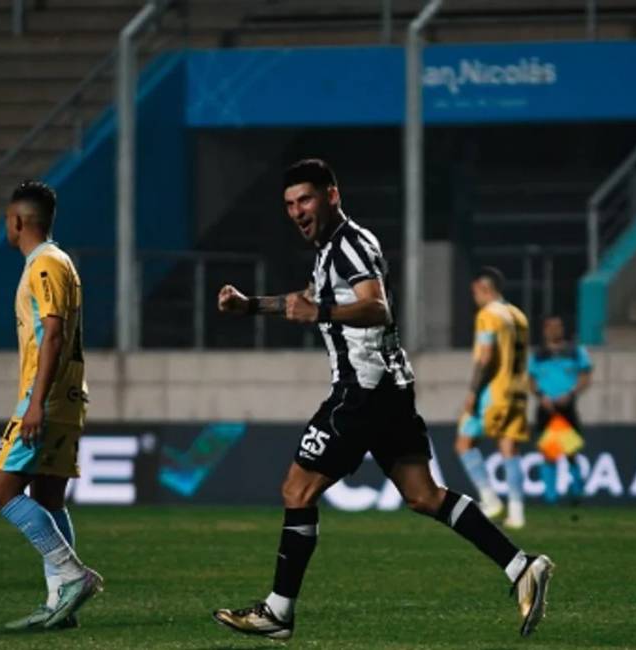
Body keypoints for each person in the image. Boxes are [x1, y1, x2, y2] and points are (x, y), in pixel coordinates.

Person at [212, 159, 553, 640]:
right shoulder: (339, 246)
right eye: (289, 204)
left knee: (297, 490)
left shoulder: (347, 245)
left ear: (332, 194)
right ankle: (521, 565)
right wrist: (252, 306)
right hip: (391, 388)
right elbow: (307, 300)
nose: (297, 211)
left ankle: (278, 611)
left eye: (305, 199)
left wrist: (321, 311)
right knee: (424, 496)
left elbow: (376, 306)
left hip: (362, 390)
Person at [0, 180, 101, 631]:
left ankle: (71, 576)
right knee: (49, 497)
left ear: (17, 221)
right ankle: (61, 602)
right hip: (67, 395)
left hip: (47, 398)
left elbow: (52, 333)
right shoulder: (61, 261)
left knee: (1, 492)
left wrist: (34, 403)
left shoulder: (45, 263)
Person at [455, 267, 531, 529]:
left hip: (494, 392)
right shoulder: (517, 315)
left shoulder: (489, 315)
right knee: (510, 449)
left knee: (464, 443)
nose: (474, 297)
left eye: (475, 292)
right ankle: (517, 512)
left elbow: (486, 357)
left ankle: (490, 500)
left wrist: (473, 392)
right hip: (518, 390)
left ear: (484, 288)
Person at [528, 315, 592, 503]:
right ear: (545, 330)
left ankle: (577, 489)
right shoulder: (538, 354)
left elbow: (585, 377)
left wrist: (571, 394)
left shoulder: (575, 351)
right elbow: (530, 381)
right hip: (547, 408)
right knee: (549, 452)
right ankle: (551, 496)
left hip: (567, 407)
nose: (555, 330)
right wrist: (541, 396)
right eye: (551, 327)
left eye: (559, 326)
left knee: (571, 450)